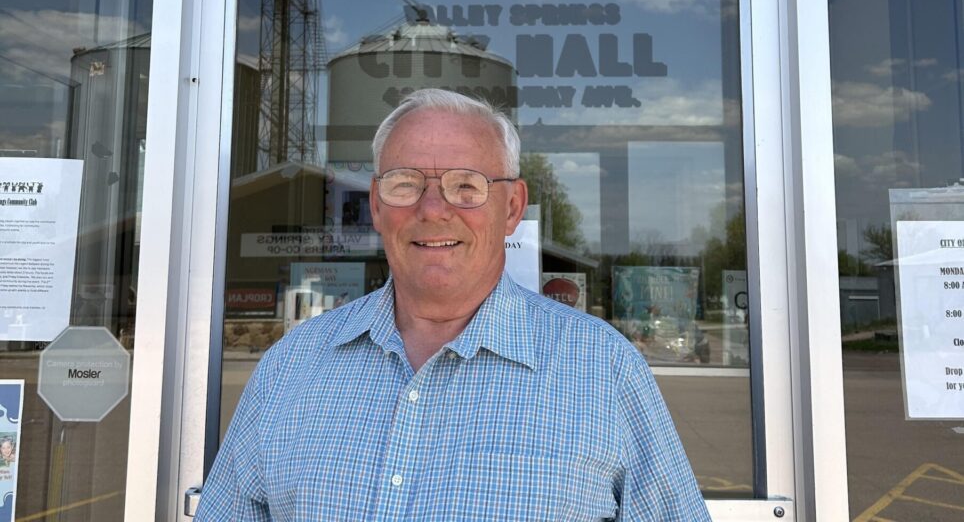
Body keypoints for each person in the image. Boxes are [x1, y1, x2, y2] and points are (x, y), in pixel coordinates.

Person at [196, 88, 711, 521]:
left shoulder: (604, 370)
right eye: (405, 184)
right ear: (376, 205)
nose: (433, 209)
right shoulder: (290, 367)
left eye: (466, 186)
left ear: (512, 207)